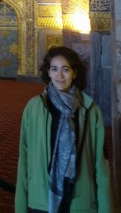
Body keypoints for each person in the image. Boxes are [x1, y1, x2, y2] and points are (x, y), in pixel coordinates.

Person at [15, 45, 114, 213]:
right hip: (41, 201)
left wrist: (105, 207)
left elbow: (100, 164)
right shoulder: (34, 108)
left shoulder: (90, 110)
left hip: (80, 203)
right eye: (54, 69)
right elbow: (24, 159)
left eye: (65, 69)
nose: (59, 75)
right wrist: (21, 206)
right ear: (48, 72)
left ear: (74, 73)